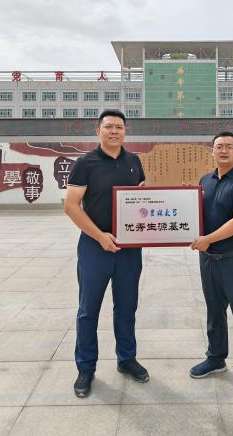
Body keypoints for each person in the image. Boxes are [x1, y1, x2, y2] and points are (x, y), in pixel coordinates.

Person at [65, 109, 149, 398]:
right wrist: (100, 236)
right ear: (98, 131)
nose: (114, 131)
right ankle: (86, 368)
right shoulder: (85, 163)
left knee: (126, 308)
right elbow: (71, 206)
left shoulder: (134, 161)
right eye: (109, 127)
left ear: (125, 132)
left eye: (119, 127)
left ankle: (127, 359)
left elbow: (141, 199)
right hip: (95, 246)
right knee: (88, 310)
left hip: (129, 248)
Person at [189, 131, 233, 400]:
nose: (223, 151)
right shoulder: (205, 180)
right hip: (208, 260)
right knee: (214, 311)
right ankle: (216, 358)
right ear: (212, 151)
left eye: (229, 146)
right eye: (218, 146)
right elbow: (197, 213)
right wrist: (184, 200)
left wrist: (208, 239)